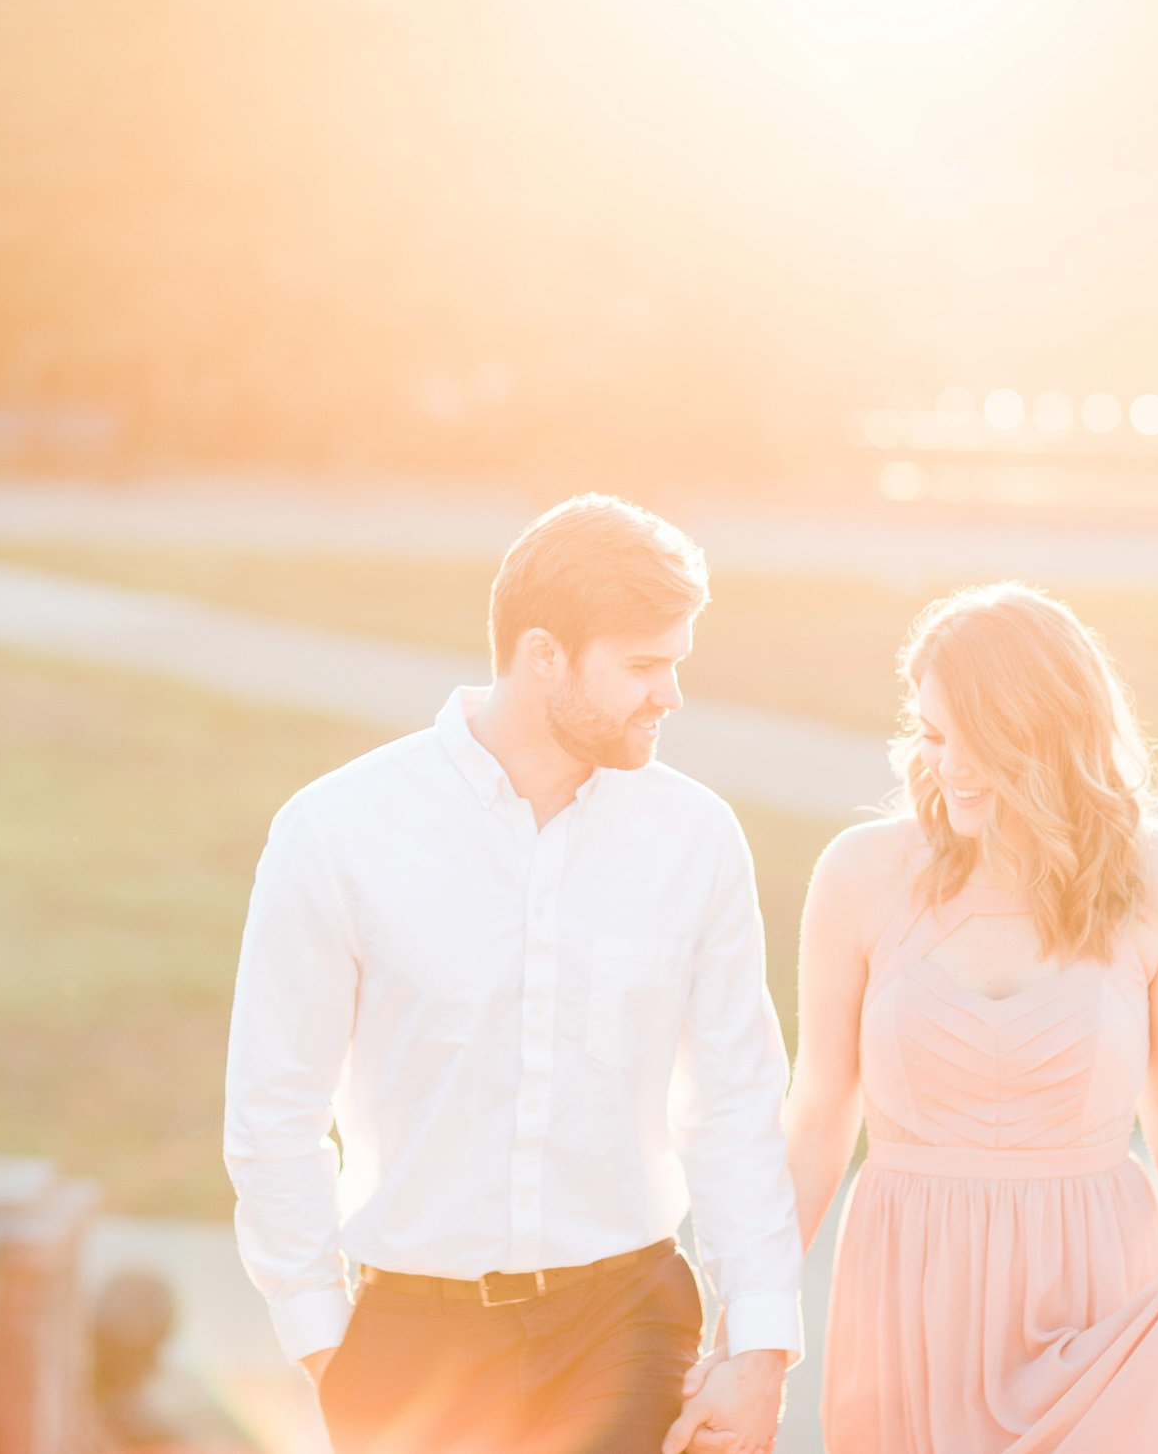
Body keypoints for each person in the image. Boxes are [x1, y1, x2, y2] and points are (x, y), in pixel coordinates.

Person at [224, 495, 800, 1454]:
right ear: (544, 655)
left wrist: (762, 1347)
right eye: (644, 665)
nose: (671, 695)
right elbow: (274, 1107)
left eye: (675, 664)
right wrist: (324, 1340)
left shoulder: (696, 839)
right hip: (414, 1337)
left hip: (628, 1318)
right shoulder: (337, 833)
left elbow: (735, 1102)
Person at [755, 582, 1158, 1452]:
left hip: (1093, 1287)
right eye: (935, 735)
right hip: (908, 1292)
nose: (949, 766)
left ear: (1052, 732)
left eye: (978, 740)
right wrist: (752, 1320)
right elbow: (821, 1111)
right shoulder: (861, 872)